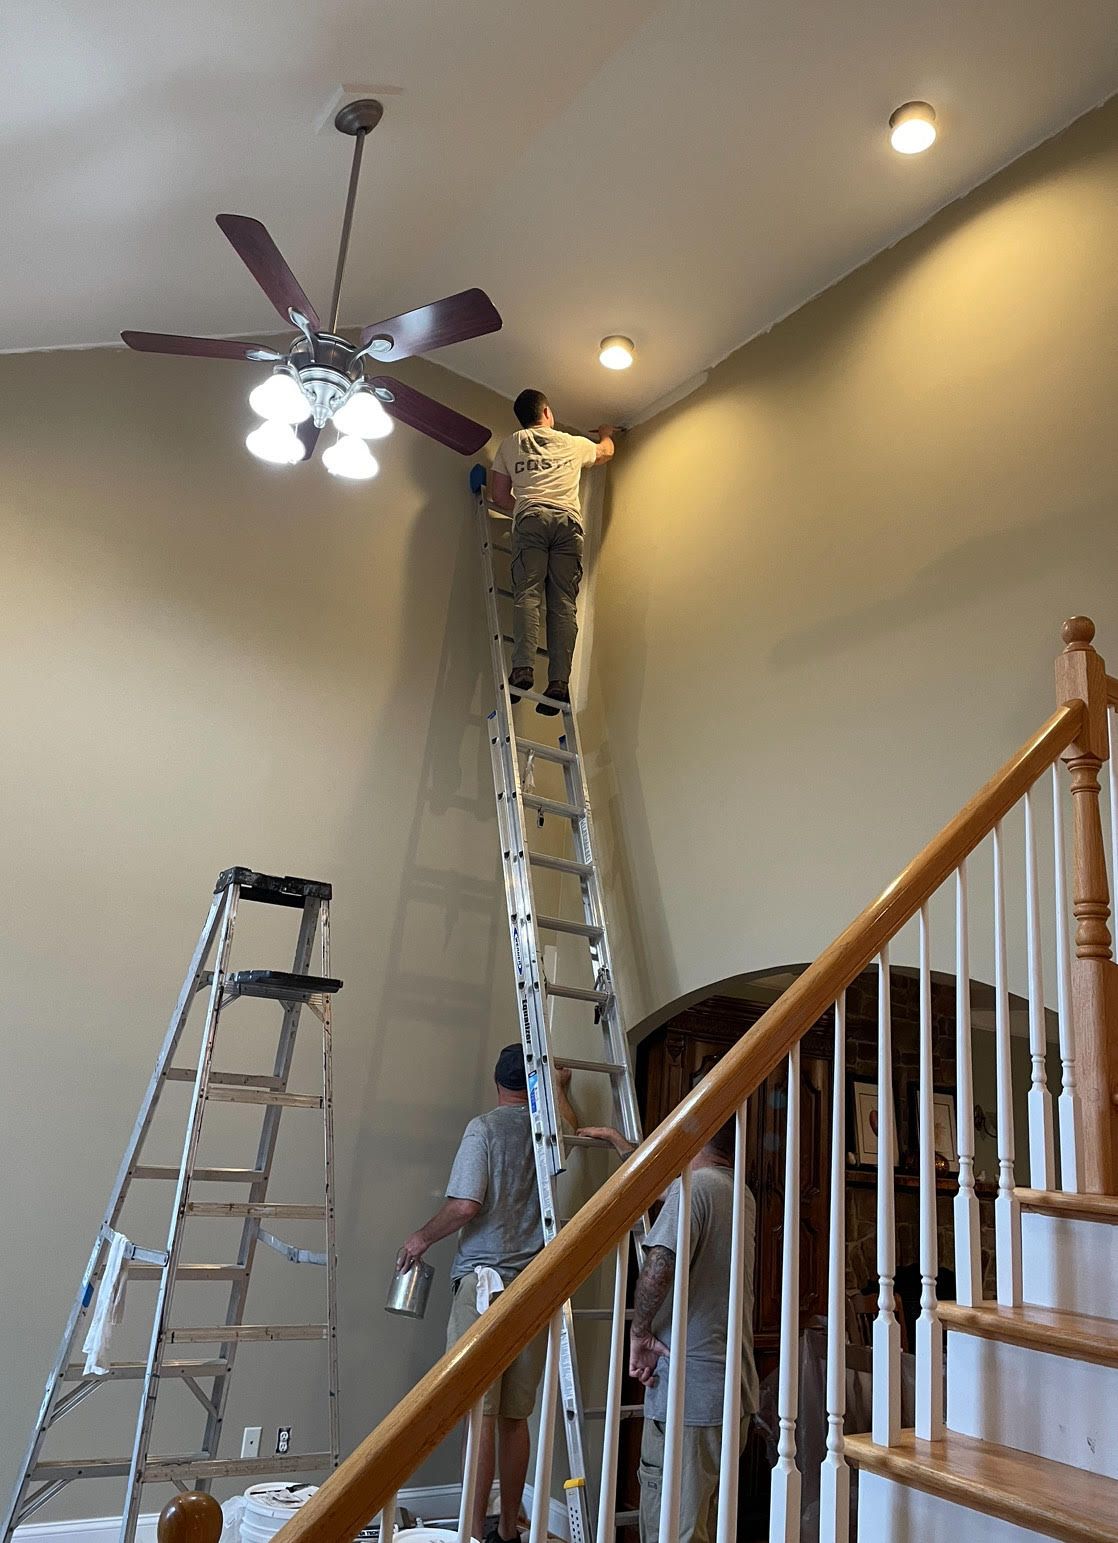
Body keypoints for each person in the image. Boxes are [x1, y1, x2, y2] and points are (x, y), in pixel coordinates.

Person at [398, 1046, 579, 1543]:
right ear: (534, 1083)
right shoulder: (547, 1130)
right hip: (532, 1290)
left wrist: (419, 1239)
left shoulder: (485, 1129)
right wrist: (559, 1089)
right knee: (515, 1417)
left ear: (497, 1082)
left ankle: (473, 1531)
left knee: (480, 1413)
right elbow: (568, 1122)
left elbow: (465, 1205)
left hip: (484, 1288)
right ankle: (508, 1532)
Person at [626, 1118, 759, 1543]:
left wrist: (640, 1334)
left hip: (689, 1399)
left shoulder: (696, 1188)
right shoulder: (738, 1192)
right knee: (704, 1524)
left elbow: (658, 1263)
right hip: (729, 1392)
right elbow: (668, 1195)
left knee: (673, 1529)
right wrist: (620, 1145)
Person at [489, 390, 616, 714]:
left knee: (528, 593)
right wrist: (605, 432)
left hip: (531, 519)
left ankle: (523, 668)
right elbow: (605, 454)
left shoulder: (510, 443)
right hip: (567, 525)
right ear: (546, 412)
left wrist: (528, 507)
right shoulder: (570, 442)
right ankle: (559, 682)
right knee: (562, 603)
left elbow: (500, 495)